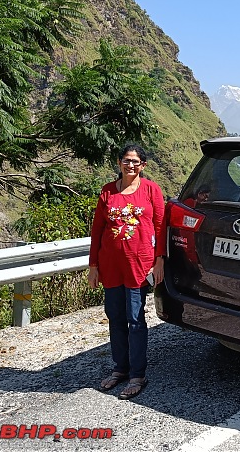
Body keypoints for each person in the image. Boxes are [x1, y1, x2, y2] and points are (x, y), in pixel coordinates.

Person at [88, 144, 165, 400]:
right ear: (119, 163)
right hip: (111, 266)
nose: (130, 165)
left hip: (138, 265)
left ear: (143, 165)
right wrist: (93, 266)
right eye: (126, 160)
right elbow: (97, 229)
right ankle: (120, 368)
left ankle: (137, 374)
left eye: (135, 161)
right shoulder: (108, 191)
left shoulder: (151, 190)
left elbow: (160, 228)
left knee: (135, 318)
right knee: (115, 317)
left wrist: (160, 261)